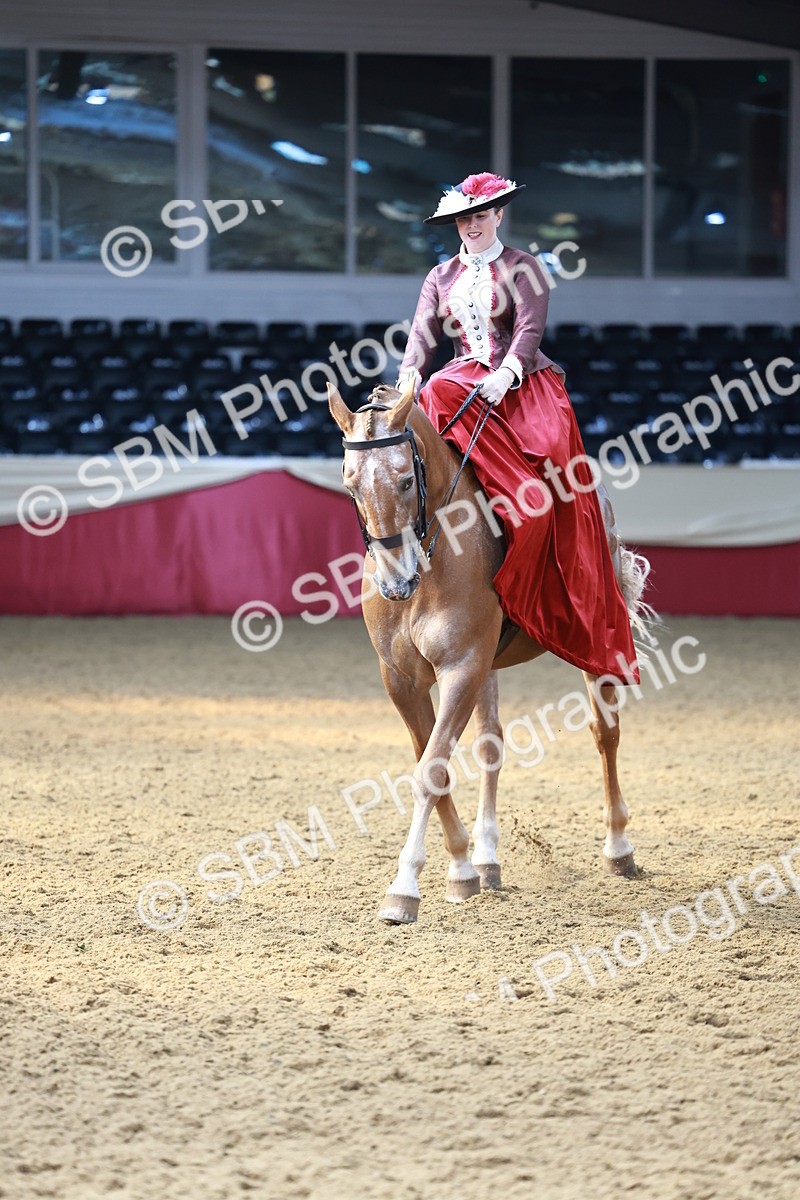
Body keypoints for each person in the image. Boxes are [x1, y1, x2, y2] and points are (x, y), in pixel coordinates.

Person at [396, 171, 638, 680]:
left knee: (552, 454)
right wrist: (407, 377)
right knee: (429, 408)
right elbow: (422, 334)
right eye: (464, 218)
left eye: (480, 215)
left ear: (498, 215)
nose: (472, 225)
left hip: (521, 381)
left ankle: (566, 554)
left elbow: (529, 325)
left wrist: (507, 372)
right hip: (461, 378)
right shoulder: (439, 276)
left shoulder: (524, 267)